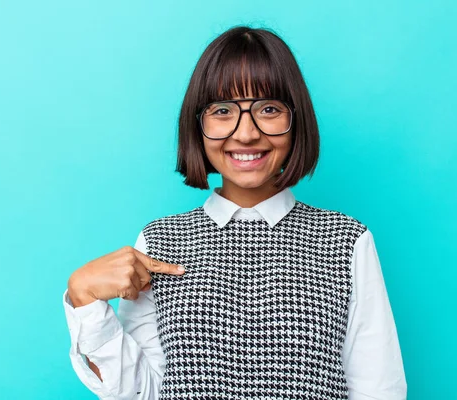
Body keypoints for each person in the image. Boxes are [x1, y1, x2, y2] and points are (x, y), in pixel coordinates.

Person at [63, 26, 407, 400]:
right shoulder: (160, 242)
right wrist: (84, 301)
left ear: (297, 121)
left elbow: (379, 389)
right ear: (199, 124)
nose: (245, 134)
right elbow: (142, 393)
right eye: (223, 110)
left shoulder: (345, 240)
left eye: (269, 109)